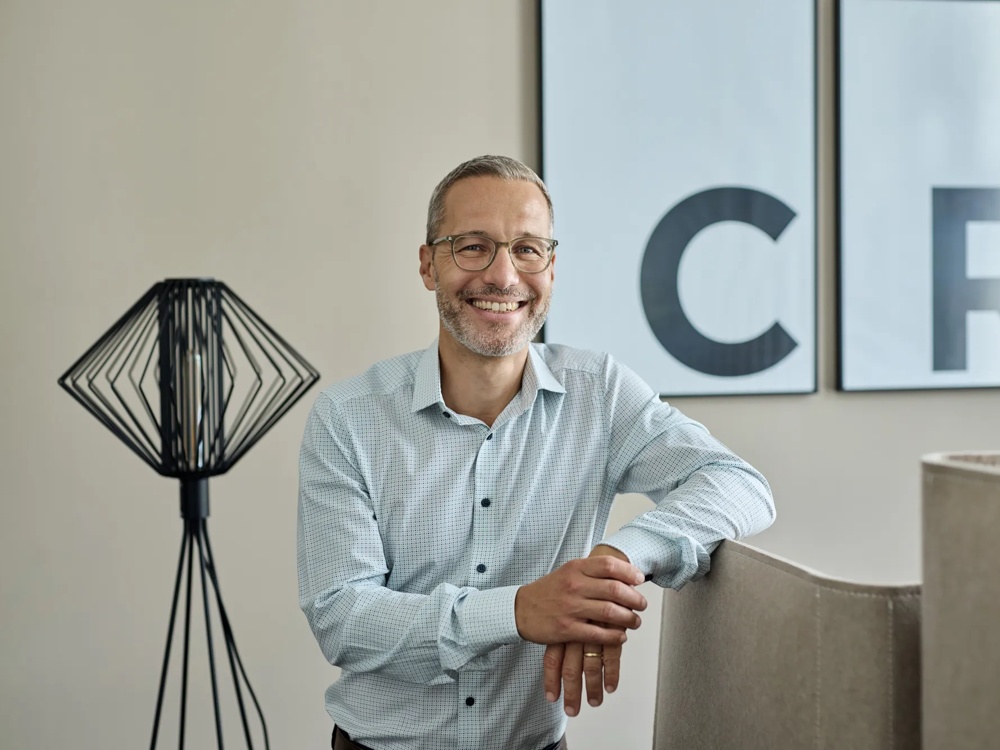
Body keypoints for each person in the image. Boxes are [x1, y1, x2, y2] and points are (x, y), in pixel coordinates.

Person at [297, 155, 775, 750]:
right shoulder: (347, 418)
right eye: (473, 246)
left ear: (551, 265)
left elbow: (739, 485)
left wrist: (615, 561)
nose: (503, 276)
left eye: (527, 248)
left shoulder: (599, 392)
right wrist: (518, 611)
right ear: (428, 264)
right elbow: (344, 619)